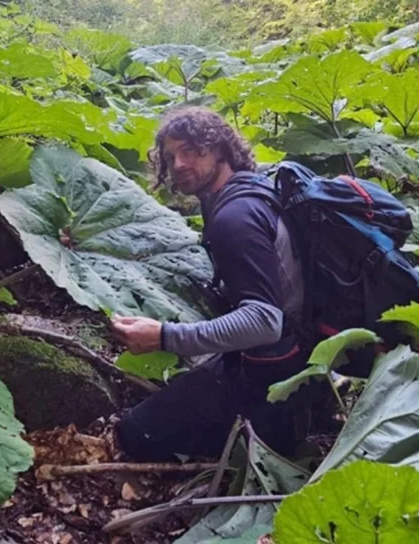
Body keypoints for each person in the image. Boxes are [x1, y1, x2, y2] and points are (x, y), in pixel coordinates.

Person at [111, 107, 313, 461]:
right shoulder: (248, 188)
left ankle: (270, 434)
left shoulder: (235, 217)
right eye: (170, 157)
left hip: (278, 375)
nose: (178, 165)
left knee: (134, 433)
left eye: (190, 151)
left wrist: (164, 336)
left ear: (219, 149)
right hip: (301, 358)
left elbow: (265, 321)